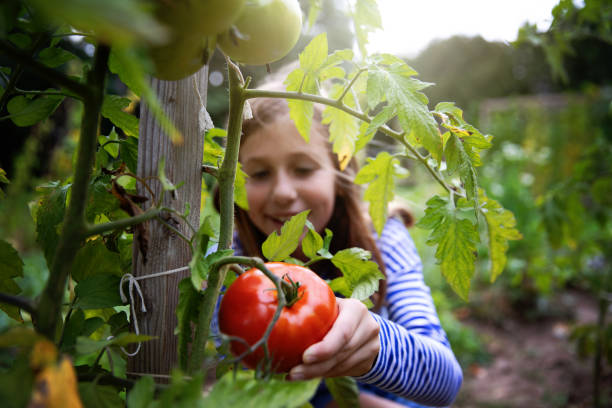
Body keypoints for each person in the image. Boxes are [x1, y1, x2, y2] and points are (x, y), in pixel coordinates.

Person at [215, 92, 463, 407]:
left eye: (303, 169)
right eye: (259, 174)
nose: (283, 193)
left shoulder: (383, 237)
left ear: (339, 175)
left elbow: (446, 382)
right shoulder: (227, 261)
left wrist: (376, 346)